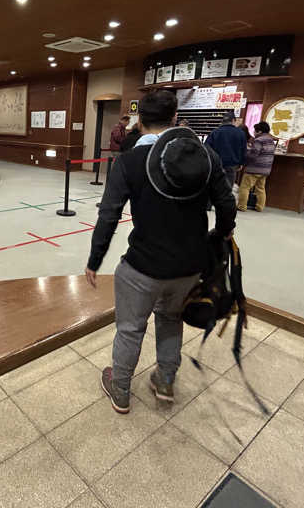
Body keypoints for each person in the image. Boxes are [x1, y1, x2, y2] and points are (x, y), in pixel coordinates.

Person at [85, 90, 236, 413]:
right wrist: (220, 234)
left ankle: (121, 388)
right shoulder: (205, 155)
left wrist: (95, 259)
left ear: (140, 122)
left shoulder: (129, 161)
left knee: (130, 328)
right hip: (190, 266)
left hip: (143, 265)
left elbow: (109, 214)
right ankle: (165, 381)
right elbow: (227, 204)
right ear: (174, 119)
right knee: (170, 320)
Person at [238, 121, 276, 212]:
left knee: (245, 187)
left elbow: (253, 154)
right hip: (266, 169)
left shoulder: (259, 140)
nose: (254, 133)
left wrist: (247, 151)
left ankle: (241, 206)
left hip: (254, 168)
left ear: (259, 131)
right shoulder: (271, 140)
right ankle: (260, 207)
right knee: (260, 188)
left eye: (255, 131)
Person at [204, 113, 246, 190]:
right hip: (232, 165)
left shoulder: (215, 132)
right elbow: (243, 150)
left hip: (216, 165)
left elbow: (206, 148)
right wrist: (241, 163)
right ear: (233, 120)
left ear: (223, 121)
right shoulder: (241, 133)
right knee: (228, 189)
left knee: (214, 188)